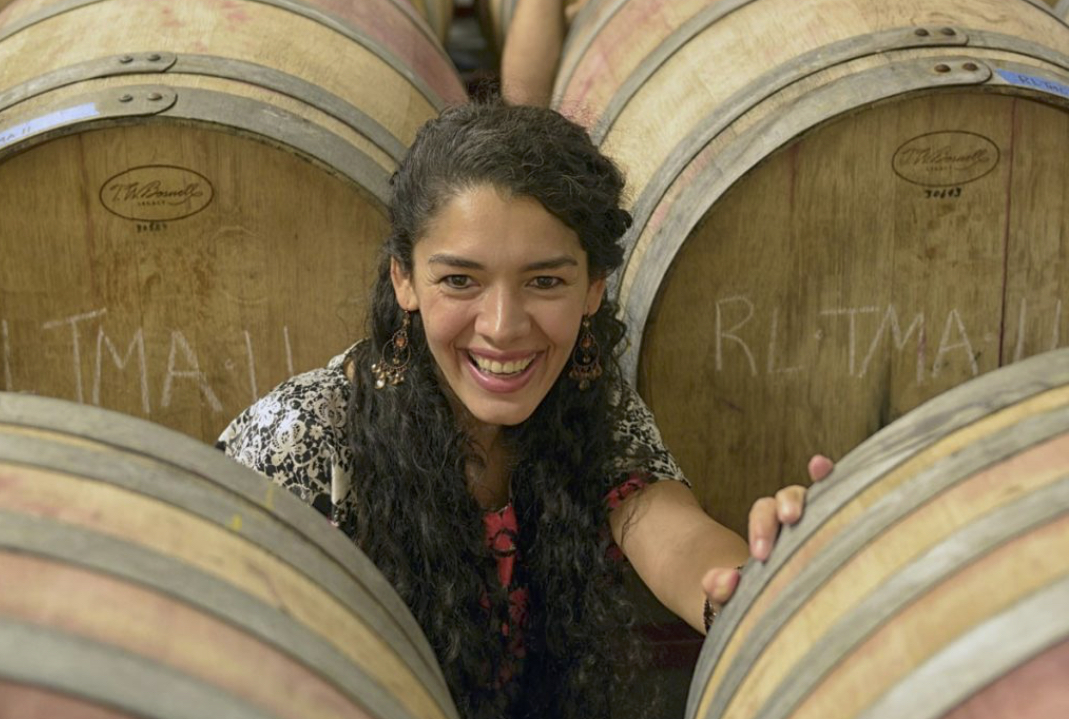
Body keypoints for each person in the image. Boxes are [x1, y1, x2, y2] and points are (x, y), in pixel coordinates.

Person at [219, 101, 831, 719]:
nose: (503, 327)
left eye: (545, 282)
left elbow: (675, 537)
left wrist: (762, 584)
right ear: (404, 279)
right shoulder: (302, 440)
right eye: (460, 281)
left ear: (593, 288)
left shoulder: (586, 401)